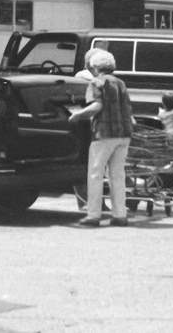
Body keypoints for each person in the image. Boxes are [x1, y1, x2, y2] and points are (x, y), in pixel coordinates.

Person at [68, 49, 133, 227]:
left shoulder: (96, 83)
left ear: (95, 67)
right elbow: (128, 108)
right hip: (123, 134)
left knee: (95, 174)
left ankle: (93, 215)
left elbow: (96, 106)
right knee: (118, 175)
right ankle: (120, 215)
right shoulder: (121, 83)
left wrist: (78, 115)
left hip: (104, 133)